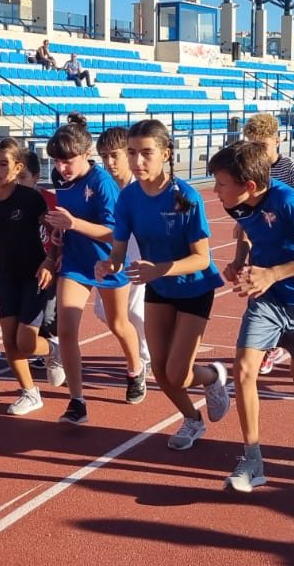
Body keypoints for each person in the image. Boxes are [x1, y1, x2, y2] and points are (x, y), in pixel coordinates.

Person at [208, 141, 294, 492]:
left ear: (249, 185)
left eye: (221, 183)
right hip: (266, 301)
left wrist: (273, 273)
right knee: (245, 370)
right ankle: (252, 460)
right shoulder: (236, 204)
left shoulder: (286, 201)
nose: (215, 190)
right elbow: (246, 231)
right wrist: (240, 261)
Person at [96, 120, 230, 450]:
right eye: (131, 153)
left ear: (165, 154)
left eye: (146, 153)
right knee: (160, 370)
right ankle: (192, 420)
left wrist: (160, 269)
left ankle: (212, 377)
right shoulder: (127, 198)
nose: (137, 162)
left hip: (194, 287)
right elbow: (118, 250)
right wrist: (108, 264)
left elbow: (201, 258)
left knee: (179, 373)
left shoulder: (185, 196)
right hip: (159, 287)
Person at [44, 113, 146, 424]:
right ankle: (77, 401)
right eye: (57, 161)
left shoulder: (102, 183)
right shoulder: (60, 178)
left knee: (118, 323)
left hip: (109, 260)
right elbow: (63, 216)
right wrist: (59, 236)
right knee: (65, 329)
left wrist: (74, 223)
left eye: (68, 161)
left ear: (85, 155)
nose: (62, 168)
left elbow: (115, 232)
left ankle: (136, 369)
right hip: (75, 262)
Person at [0, 138, 60, 415]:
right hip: (6, 276)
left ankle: (55, 351)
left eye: (3, 164)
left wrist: (49, 260)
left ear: (18, 167)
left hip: (34, 276)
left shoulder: (30, 199)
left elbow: (53, 235)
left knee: (26, 342)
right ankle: (30, 393)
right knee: (9, 342)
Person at [234, 114, 294, 376]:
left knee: (289, 299)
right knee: (260, 294)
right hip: (261, 245)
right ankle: (268, 346)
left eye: (262, 147)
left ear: (278, 141)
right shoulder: (248, 169)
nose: (256, 152)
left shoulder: (290, 168)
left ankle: (286, 343)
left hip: (288, 245)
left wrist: (281, 212)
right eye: (251, 146)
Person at [94, 127, 151, 378]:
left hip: (138, 255)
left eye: (114, 155)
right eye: (104, 156)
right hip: (111, 256)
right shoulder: (104, 185)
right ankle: (143, 352)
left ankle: (145, 357)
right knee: (102, 310)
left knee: (134, 311)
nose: (109, 162)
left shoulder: (139, 186)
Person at [17, 151, 60, 368]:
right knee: (30, 315)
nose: (18, 182)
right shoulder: (8, 201)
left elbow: (62, 233)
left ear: (36, 176)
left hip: (52, 267)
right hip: (25, 269)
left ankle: (57, 351)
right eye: (15, 176)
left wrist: (53, 259)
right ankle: (48, 351)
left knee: (50, 314)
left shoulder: (50, 200)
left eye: (23, 177)